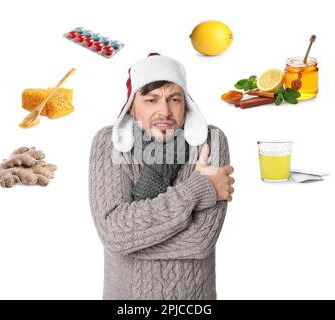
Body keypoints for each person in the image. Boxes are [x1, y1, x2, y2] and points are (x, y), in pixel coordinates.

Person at [89, 53, 235, 300]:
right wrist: (197, 189)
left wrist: (132, 241)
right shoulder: (109, 143)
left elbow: (201, 240)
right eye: (151, 100)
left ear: (185, 103)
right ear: (132, 107)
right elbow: (113, 235)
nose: (165, 111)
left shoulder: (211, 141)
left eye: (174, 99)